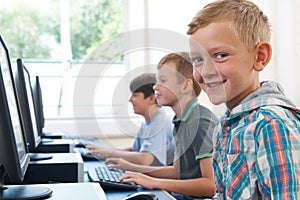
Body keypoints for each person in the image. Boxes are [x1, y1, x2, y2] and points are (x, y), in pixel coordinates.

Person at [187, 0, 300, 199]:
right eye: (198, 59)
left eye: (220, 55)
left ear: (260, 57)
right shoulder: (228, 123)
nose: (205, 71)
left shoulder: (271, 124)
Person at [106, 52, 218, 199]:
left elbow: (211, 186)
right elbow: (176, 172)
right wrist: (133, 169)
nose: (155, 87)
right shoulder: (181, 120)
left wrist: (155, 182)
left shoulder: (200, 122)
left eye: (163, 81)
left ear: (185, 85)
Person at [87, 73, 174, 166]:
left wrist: (110, 153)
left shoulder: (160, 121)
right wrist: (104, 151)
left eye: (135, 95)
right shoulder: (148, 121)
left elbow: (146, 160)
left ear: (151, 98)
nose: (130, 100)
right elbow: (133, 150)